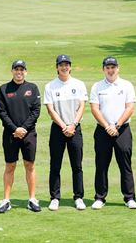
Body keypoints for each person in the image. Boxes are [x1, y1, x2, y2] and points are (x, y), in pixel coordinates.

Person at [89, 56, 136, 210]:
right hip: (103, 130)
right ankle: (100, 197)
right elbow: (94, 108)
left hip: (122, 129)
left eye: (113, 67)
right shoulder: (97, 86)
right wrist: (107, 126)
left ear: (118, 68)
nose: (111, 70)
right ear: (103, 69)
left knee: (125, 163)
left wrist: (116, 125)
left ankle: (129, 197)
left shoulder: (126, 85)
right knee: (101, 164)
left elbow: (130, 108)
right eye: (108, 67)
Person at [0, 60, 42, 213]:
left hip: (29, 134)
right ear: (12, 71)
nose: (19, 72)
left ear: (26, 72)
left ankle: (32, 199)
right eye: (16, 69)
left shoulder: (32, 88)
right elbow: (2, 113)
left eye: (22, 70)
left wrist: (23, 128)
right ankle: (6, 200)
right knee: (10, 166)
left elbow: (36, 111)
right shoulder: (3, 89)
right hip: (10, 134)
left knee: (30, 165)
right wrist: (15, 129)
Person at [44, 55, 88, 211]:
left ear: (70, 67)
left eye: (67, 65)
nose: (64, 67)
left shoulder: (79, 84)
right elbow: (51, 110)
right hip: (58, 129)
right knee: (55, 165)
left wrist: (73, 125)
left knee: (77, 165)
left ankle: (79, 197)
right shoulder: (50, 86)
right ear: (57, 67)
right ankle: (55, 197)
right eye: (61, 65)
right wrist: (64, 126)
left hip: (75, 128)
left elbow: (82, 106)